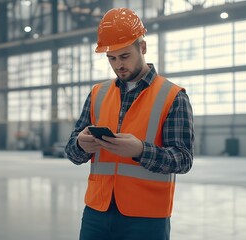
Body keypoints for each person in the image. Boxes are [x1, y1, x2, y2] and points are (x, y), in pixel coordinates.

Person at [65, 7, 194, 240]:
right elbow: (72, 152)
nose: (117, 65)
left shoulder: (173, 96)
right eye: (111, 58)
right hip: (97, 211)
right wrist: (81, 145)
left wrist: (141, 151)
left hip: (146, 217)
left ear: (142, 48)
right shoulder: (97, 94)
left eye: (124, 56)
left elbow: (183, 159)